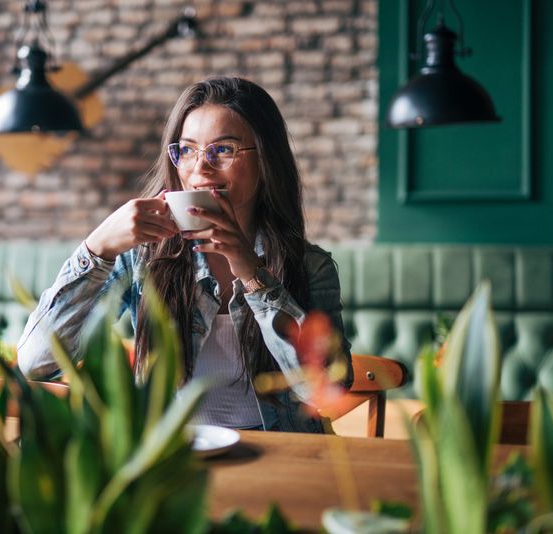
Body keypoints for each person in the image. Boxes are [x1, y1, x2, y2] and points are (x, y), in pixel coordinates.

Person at [17, 76, 353, 433]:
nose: (200, 168)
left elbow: (325, 390)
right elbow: (37, 363)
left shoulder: (309, 266)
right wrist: (96, 248)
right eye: (187, 150)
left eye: (223, 149)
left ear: (266, 159)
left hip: (282, 460)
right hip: (172, 460)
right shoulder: (142, 258)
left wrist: (252, 274)